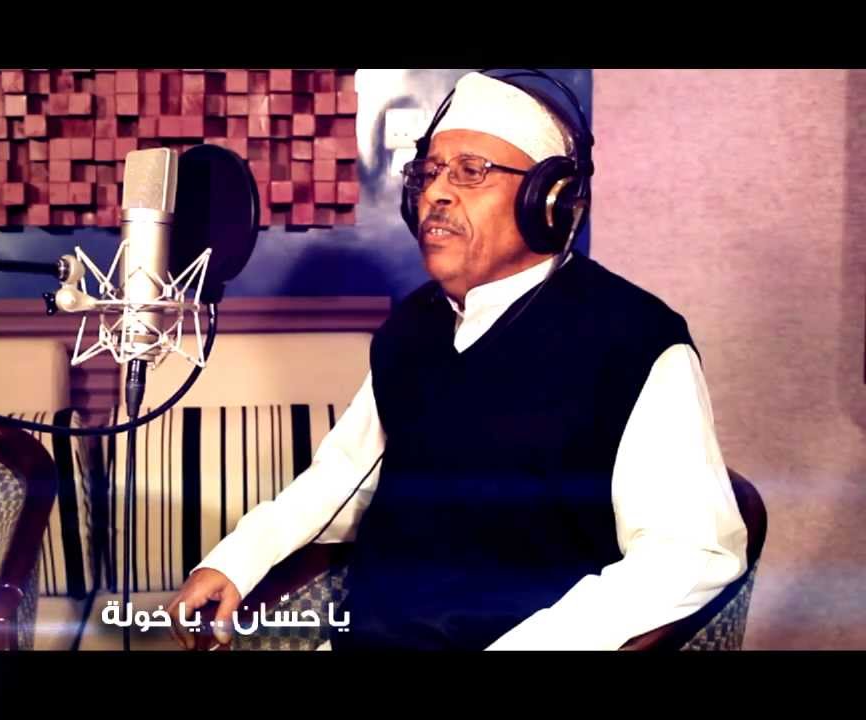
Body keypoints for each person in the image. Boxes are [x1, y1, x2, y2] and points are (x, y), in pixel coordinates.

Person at [167, 70, 749, 651]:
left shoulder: (636, 339)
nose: (436, 194)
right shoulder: (412, 327)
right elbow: (345, 473)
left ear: (547, 200)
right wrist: (240, 557)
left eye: (472, 171)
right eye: (430, 173)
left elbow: (692, 552)